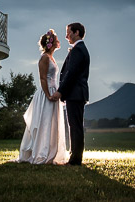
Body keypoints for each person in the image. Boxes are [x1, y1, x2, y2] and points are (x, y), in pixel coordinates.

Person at [15, 29, 70, 165]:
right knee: (44, 122)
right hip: (46, 94)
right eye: (57, 39)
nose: (59, 42)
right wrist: (48, 95)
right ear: (51, 43)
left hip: (54, 92)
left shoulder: (51, 57)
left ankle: (52, 151)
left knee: (52, 123)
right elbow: (43, 78)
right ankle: (41, 152)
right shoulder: (44, 58)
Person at [50, 22, 89, 166]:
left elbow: (71, 73)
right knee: (75, 126)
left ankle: (75, 159)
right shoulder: (78, 49)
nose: (66, 36)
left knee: (75, 126)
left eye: (68, 32)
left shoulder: (78, 50)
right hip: (76, 94)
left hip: (75, 94)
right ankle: (75, 157)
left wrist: (60, 92)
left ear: (76, 32)